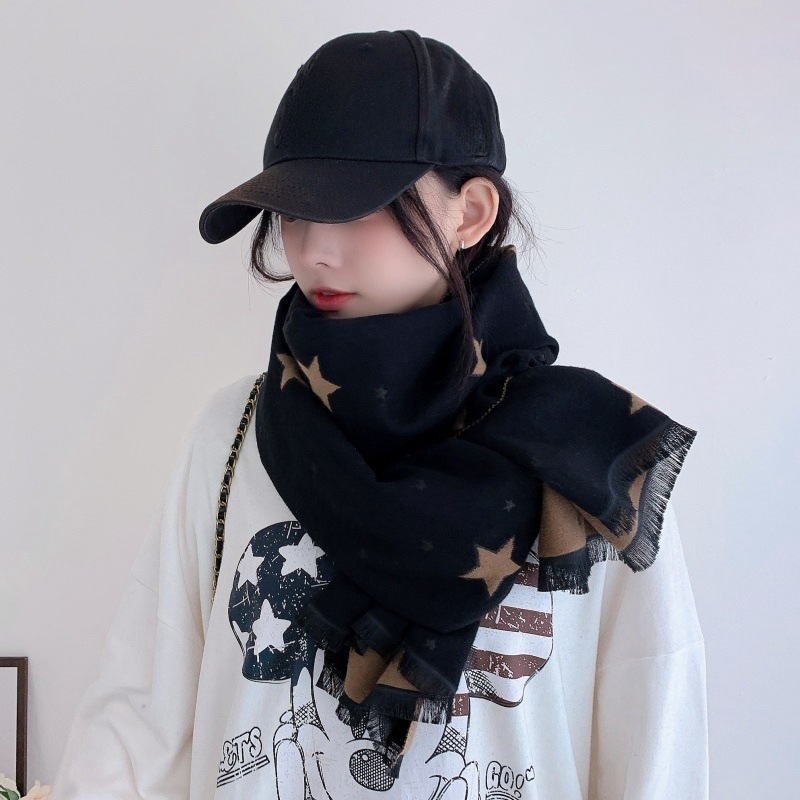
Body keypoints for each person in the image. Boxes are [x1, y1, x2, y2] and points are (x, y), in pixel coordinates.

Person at [52, 29, 708, 799]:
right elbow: (142, 718)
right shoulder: (233, 433)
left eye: (358, 207)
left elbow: (654, 740)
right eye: (293, 212)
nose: (315, 250)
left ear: (471, 211)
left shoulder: (593, 452)